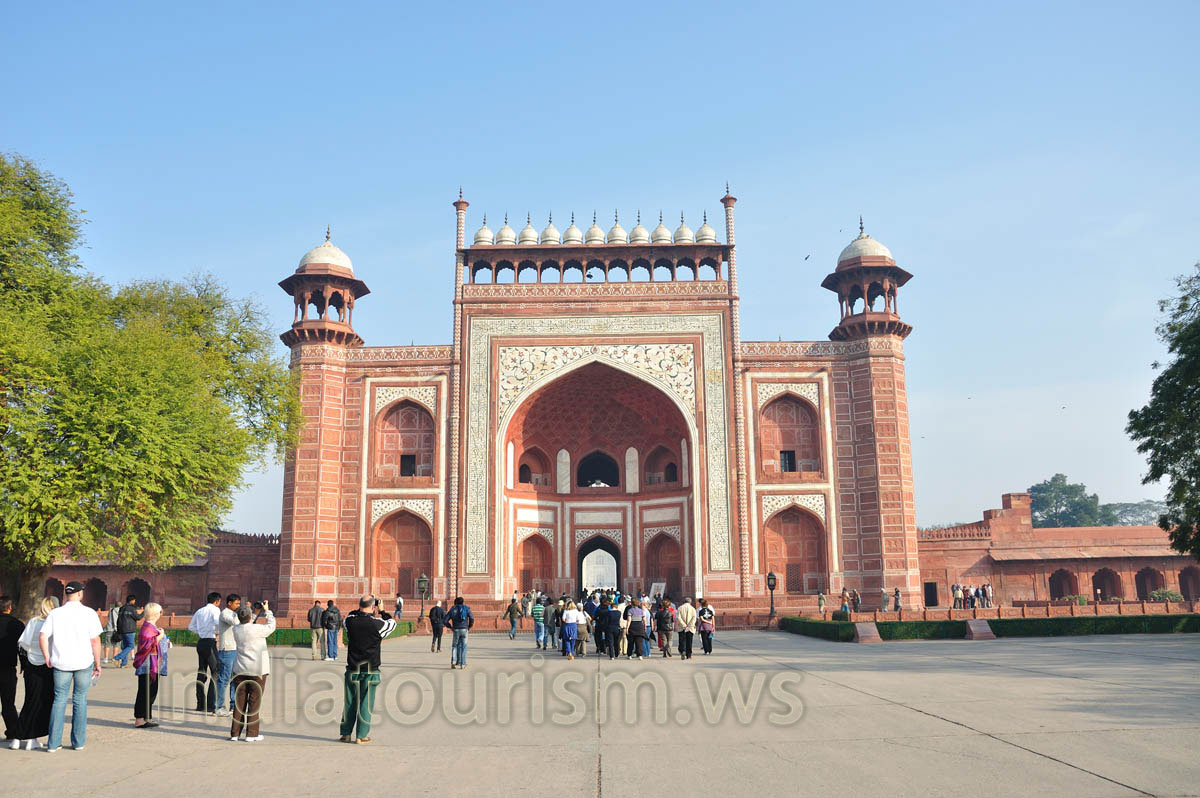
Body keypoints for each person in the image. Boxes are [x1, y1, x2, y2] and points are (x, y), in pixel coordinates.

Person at [39, 581, 102, 752]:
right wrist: (98, 663)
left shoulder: (55, 613)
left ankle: (53, 743)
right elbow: (95, 640)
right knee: (80, 700)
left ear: (66, 594)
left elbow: (43, 635)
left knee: (59, 700)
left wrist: (47, 656)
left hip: (61, 662)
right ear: (80, 594)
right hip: (83, 661)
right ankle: (78, 742)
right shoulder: (89, 613)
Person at [339, 596, 396, 744]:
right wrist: (382, 611)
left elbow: (349, 616)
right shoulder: (377, 624)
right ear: (373, 607)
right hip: (370, 669)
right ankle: (361, 735)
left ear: (359, 606)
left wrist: (362, 609)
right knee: (366, 702)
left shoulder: (350, 622)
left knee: (349, 701)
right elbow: (392, 624)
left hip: (352, 667)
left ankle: (345, 733)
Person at [13, 597, 58, 750]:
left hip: (31, 665)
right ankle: (32, 737)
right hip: (48, 665)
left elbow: (23, 643)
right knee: (42, 703)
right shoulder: (53, 622)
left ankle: (17, 736)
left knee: (29, 700)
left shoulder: (33, 621)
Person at [231, 600, 275, 742]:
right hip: (257, 670)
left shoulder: (236, 629)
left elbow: (247, 623)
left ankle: (235, 733)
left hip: (239, 668)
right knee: (254, 701)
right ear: (250, 617)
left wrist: (253, 615)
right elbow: (271, 625)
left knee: (239, 702)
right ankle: (251, 734)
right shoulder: (257, 630)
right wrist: (267, 610)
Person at [132, 602, 168, 729]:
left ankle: (147, 717)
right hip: (147, 664)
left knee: (151, 691)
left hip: (153, 664)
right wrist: (160, 637)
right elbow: (146, 645)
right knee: (144, 692)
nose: (161, 614)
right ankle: (139, 719)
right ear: (155, 613)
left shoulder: (151, 626)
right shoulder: (147, 627)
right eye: (160, 611)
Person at [188, 591, 222, 714]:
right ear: (217, 601)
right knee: (216, 671)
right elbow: (219, 624)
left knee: (201, 672)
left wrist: (202, 631)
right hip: (210, 643)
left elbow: (191, 627)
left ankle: (200, 704)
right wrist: (214, 631)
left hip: (201, 642)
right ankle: (211, 705)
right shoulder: (215, 610)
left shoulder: (200, 611)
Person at [0, 596, 24, 744]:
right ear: (10, 608)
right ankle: (13, 732)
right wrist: (24, 664)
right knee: (8, 703)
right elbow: (22, 647)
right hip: (8, 668)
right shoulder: (16, 624)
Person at [215, 593, 242, 716]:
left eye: (239, 604)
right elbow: (236, 622)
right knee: (224, 679)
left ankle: (232, 706)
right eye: (236, 603)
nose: (238, 606)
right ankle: (219, 706)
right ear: (229, 603)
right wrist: (242, 612)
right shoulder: (225, 613)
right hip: (227, 650)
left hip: (235, 649)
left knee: (234, 680)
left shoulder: (234, 613)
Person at [113, 594, 143, 668]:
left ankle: (124, 663)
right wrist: (143, 613)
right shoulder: (132, 608)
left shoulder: (122, 608)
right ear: (132, 600)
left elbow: (118, 620)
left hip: (122, 630)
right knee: (130, 646)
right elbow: (138, 617)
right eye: (134, 600)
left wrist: (119, 630)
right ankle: (117, 658)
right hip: (129, 630)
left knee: (125, 646)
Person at [445, 596, 474, 669]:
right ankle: (463, 664)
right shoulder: (466, 608)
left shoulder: (452, 609)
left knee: (455, 645)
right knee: (464, 646)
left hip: (456, 629)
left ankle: (454, 661)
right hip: (464, 629)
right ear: (463, 602)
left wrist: (450, 627)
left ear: (456, 602)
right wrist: (469, 626)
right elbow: (472, 618)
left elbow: (445, 620)